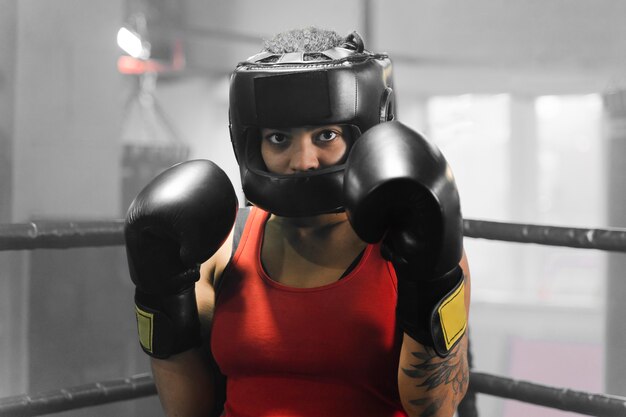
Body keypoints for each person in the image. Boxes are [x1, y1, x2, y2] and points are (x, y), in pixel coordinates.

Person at [124, 27, 472, 417]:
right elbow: (188, 411)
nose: (302, 160)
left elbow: (434, 408)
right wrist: (160, 295)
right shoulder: (226, 245)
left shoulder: (406, 243)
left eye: (326, 135)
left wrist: (430, 281)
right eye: (278, 139)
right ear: (249, 141)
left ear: (364, 134)